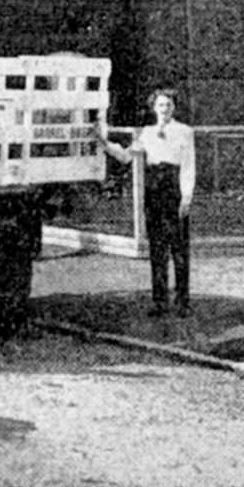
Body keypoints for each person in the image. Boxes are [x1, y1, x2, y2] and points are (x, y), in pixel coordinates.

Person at [97, 88, 196, 317]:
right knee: (157, 248)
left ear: (174, 108)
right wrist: (104, 143)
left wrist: (186, 196)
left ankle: (182, 301)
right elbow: (126, 156)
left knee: (179, 248)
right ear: (154, 108)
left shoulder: (184, 131)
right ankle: (159, 301)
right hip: (154, 189)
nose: (165, 109)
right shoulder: (147, 133)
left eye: (169, 105)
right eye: (161, 105)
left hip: (174, 186)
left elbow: (189, 165)